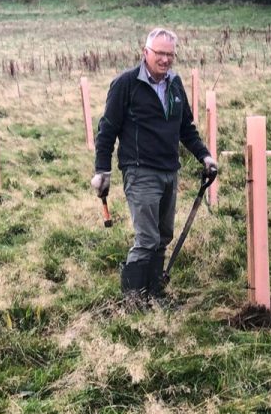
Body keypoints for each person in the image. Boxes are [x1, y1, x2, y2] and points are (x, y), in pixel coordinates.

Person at [91, 28, 219, 301]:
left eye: (170, 54)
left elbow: (186, 127)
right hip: (140, 170)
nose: (165, 59)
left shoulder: (174, 83)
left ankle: (154, 293)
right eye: (159, 53)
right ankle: (134, 299)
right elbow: (107, 129)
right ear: (145, 53)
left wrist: (205, 156)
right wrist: (102, 170)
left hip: (169, 170)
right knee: (147, 238)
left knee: (163, 235)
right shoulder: (125, 84)